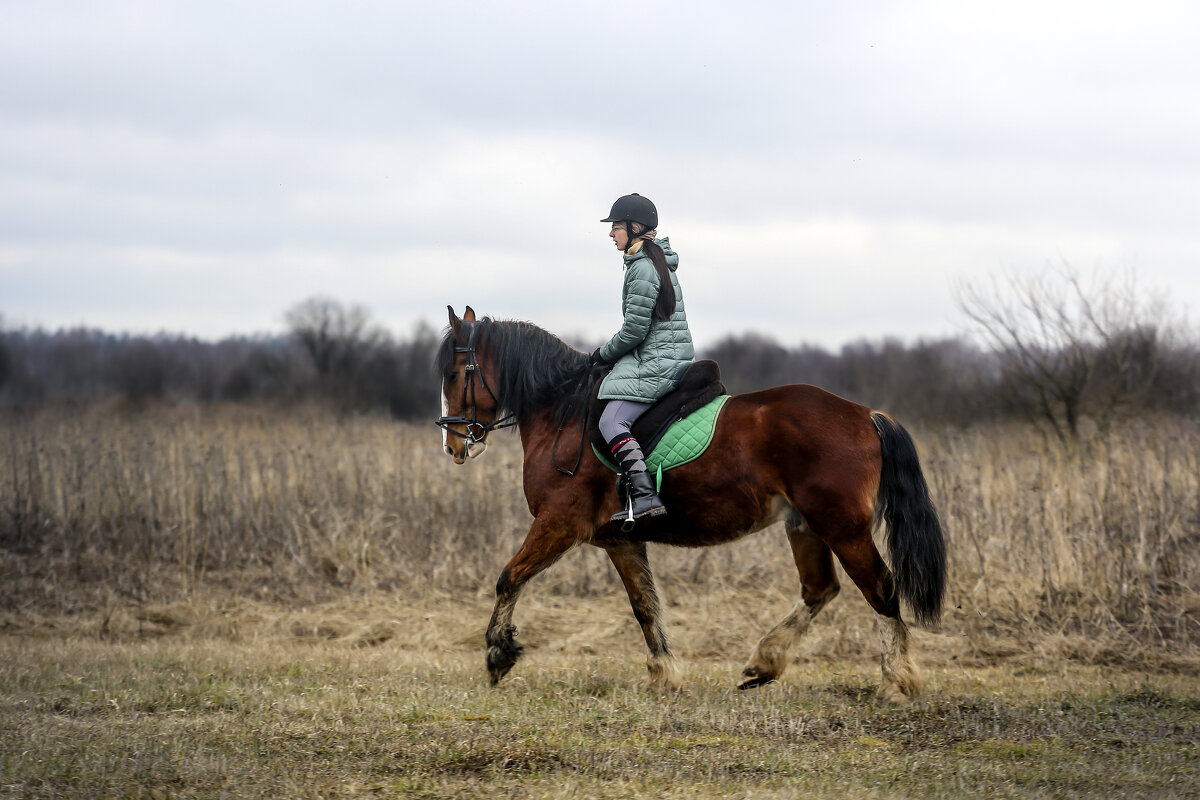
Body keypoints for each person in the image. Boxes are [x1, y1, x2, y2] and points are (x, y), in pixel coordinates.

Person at [591, 193, 695, 525]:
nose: (611, 234)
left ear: (635, 229)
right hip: (665, 355)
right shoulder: (654, 261)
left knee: (611, 422)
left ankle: (645, 495)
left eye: (616, 227)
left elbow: (634, 330)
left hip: (658, 361)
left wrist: (601, 354)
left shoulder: (643, 269)